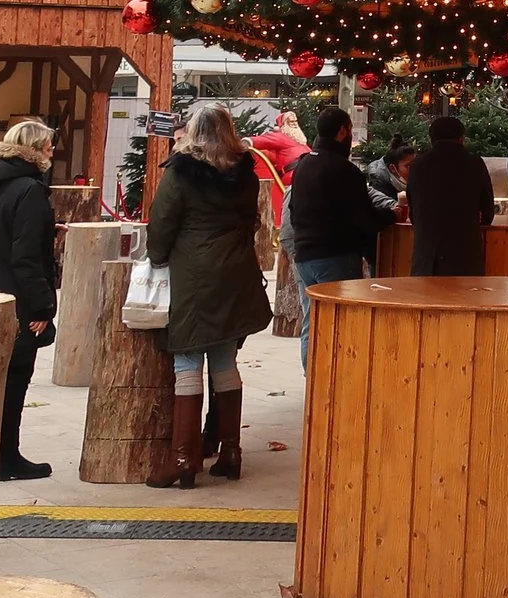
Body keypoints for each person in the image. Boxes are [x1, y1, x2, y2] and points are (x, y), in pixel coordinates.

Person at [147, 105, 271, 489]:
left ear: (193, 131)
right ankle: (230, 452)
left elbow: (162, 223)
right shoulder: (245, 172)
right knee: (224, 359)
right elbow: (250, 221)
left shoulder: (181, 172)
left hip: (194, 275)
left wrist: (157, 257)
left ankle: (184, 458)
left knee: (187, 357)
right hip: (236, 271)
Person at [0, 120, 60, 481]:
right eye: (49, 146)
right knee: (15, 378)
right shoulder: (30, 190)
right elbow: (26, 256)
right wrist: (42, 306)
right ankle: (6, 458)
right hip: (18, 299)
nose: (52, 151)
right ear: (34, 150)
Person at [287, 107, 386, 367]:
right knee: (343, 321)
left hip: (304, 257)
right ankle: (340, 377)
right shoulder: (344, 170)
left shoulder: (303, 165)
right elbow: (364, 218)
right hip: (336, 256)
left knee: (312, 320)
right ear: (343, 131)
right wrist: (391, 215)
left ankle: (313, 380)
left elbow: (293, 210)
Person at [405, 116, 495, 275]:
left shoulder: (418, 165)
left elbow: (413, 211)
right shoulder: (474, 164)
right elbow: (488, 210)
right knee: (464, 292)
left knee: (425, 291)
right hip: (465, 256)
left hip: (427, 256)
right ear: (461, 138)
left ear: (431, 139)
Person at [366, 140, 416, 220]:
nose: (414, 170)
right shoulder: (378, 188)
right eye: (408, 166)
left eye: (416, 165)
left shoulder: (416, 186)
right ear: (392, 168)